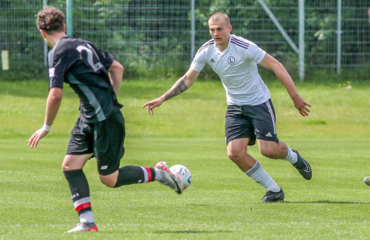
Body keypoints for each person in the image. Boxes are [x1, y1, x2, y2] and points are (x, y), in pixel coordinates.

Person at [29, 6, 183, 233]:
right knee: (70, 166)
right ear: (63, 26)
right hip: (89, 117)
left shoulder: (57, 53)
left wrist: (46, 127)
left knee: (109, 179)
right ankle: (87, 223)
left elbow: (56, 93)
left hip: (104, 120)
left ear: (42, 33)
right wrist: (109, 97)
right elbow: (117, 68)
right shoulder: (84, 44)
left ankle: (160, 173)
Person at [143, 12, 312, 202]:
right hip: (235, 107)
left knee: (269, 151)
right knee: (234, 153)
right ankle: (274, 190)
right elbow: (188, 79)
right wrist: (163, 98)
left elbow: (276, 65)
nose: (216, 33)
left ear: (229, 29)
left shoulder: (244, 47)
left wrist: (295, 96)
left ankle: (294, 158)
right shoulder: (206, 51)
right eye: (212, 30)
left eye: (219, 29)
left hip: (259, 103)